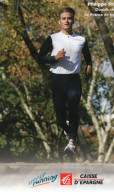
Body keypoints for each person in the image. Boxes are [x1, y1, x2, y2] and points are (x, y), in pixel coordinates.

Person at [38, 7, 92, 157]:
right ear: (59, 21)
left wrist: (89, 66)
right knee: (60, 117)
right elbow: (40, 58)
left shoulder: (81, 39)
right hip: (57, 80)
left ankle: (72, 142)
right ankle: (68, 129)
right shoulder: (53, 38)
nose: (66, 21)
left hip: (74, 79)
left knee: (74, 108)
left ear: (73, 20)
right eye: (63, 18)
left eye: (69, 18)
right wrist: (54, 58)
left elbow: (88, 56)